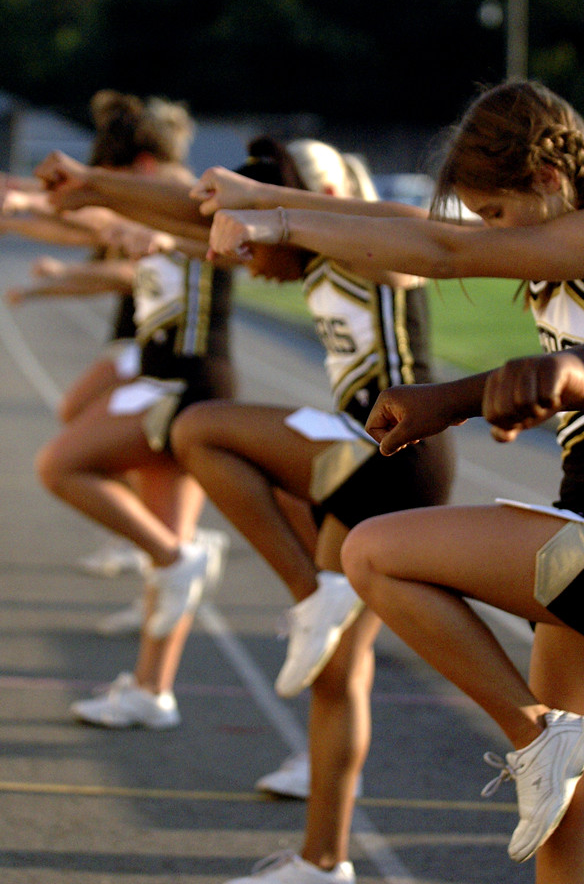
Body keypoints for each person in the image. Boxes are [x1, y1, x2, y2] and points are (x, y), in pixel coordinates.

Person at [203, 79, 584, 882]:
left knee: (378, 553)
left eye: (494, 214)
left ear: (547, 181)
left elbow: (441, 250)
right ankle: (540, 745)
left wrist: (277, 221)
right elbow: (408, 226)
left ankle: (530, 736)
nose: (486, 234)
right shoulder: (567, 244)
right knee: (565, 810)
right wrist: (262, 193)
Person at [159, 136, 454, 884]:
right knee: (335, 678)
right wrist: (91, 188)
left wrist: (272, 212)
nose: (244, 256)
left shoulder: (364, 252)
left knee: (199, 427)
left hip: (391, 457)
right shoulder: (323, 259)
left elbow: (401, 234)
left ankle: (310, 595)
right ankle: (322, 861)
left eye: (254, 237)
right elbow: (186, 216)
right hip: (362, 458)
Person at [32, 91, 234, 728]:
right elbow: (94, 223)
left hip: (187, 387)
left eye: (115, 179)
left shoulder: (194, 209)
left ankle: (180, 559)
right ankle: (152, 689)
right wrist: (24, 205)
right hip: (167, 382)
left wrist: (46, 202)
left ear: (142, 169)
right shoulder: (163, 210)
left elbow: (114, 221)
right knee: (162, 554)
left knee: (62, 465)